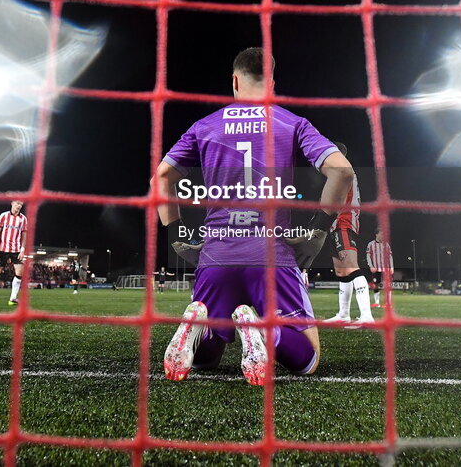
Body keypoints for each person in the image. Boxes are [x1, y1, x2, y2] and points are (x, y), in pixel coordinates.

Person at [153, 47, 354, 384]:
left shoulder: (205, 126)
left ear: (234, 80)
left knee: (206, 360)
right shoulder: (292, 123)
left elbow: (161, 177)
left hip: (216, 256)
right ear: (272, 82)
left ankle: (203, 329)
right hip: (271, 254)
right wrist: (317, 232)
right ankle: (265, 330)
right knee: (308, 358)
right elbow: (342, 172)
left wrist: (176, 236)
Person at [323, 143, 374, 327]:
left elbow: (337, 200)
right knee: (341, 270)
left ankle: (367, 316)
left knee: (351, 267)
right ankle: (343, 314)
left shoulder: (343, 170)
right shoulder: (341, 170)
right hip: (337, 223)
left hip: (344, 221)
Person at [366, 229, 392, 309]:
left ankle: (388, 303)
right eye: (381, 234)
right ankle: (377, 303)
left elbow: (390, 257)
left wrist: (391, 267)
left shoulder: (386, 245)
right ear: (376, 234)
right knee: (376, 286)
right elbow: (368, 256)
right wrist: (371, 266)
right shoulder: (370, 244)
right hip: (376, 269)